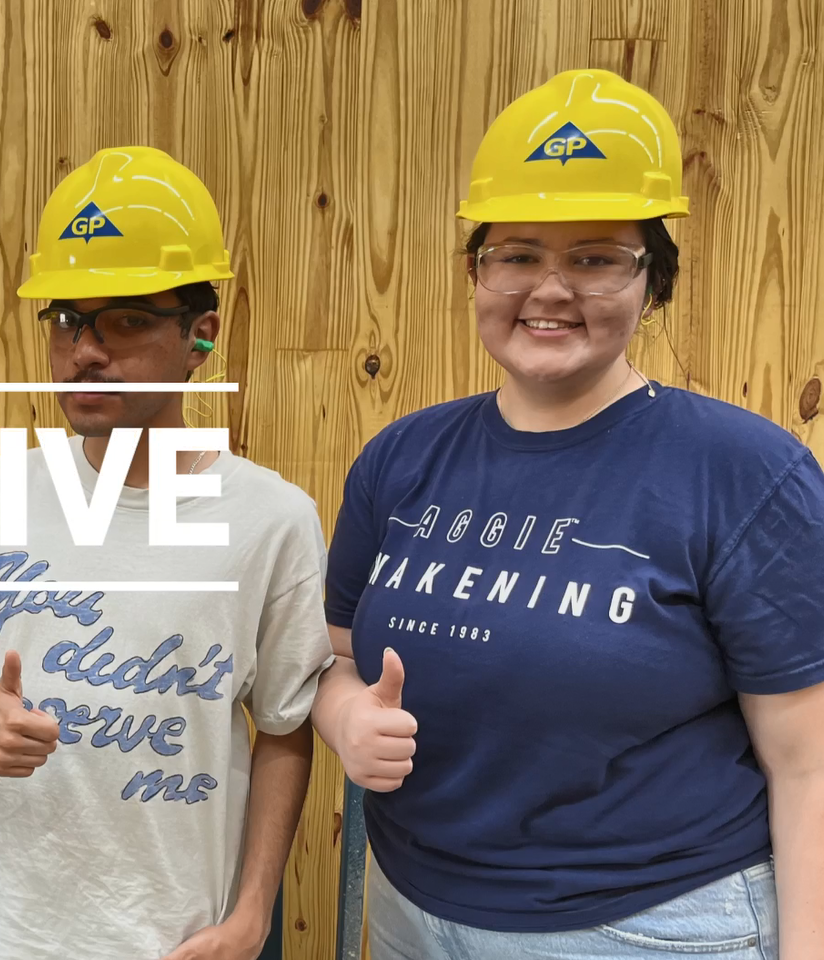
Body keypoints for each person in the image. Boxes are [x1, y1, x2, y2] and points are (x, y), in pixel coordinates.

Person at [315, 69, 824, 958]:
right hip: (411, 912)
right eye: (515, 254)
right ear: (477, 273)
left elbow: (806, 764)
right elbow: (338, 660)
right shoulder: (402, 458)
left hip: (648, 926)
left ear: (651, 284)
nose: (548, 289)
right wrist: (343, 719)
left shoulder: (743, 471)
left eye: (594, 258)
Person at [0, 146, 334, 960]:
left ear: (200, 335)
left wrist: (251, 918)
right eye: (66, 319)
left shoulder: (272, 519)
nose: (84, 350)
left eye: (125, 319)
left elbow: (282, 730)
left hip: (175, 940)